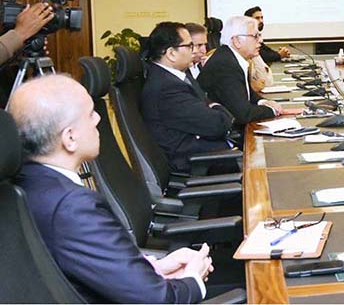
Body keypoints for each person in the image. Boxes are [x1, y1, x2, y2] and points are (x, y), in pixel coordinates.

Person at [9, 75, 213, 303]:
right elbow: (157, 300)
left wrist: (154, 269)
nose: (98, 119)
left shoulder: (24, 185)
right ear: (70, 138)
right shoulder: (72, 206)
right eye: (90, 114)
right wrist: (194, 278)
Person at [140, 22, 236, 174]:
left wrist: (213, 107)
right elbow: (217, 124)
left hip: (207, 153)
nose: (195, 51)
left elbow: (207, 104)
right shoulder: (166, 88)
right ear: (171, 53)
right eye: (190, 46)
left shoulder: (177, 76)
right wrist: (217, 108)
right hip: (198, 166)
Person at [198, 16, 283, 132]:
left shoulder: (230, 57)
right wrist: (272, 110)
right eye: (255, 36)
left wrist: (263, 101)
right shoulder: (225, 65)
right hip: (225, 134)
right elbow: (243, 114)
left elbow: (246, 92)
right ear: (237, 41)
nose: (261, 41)